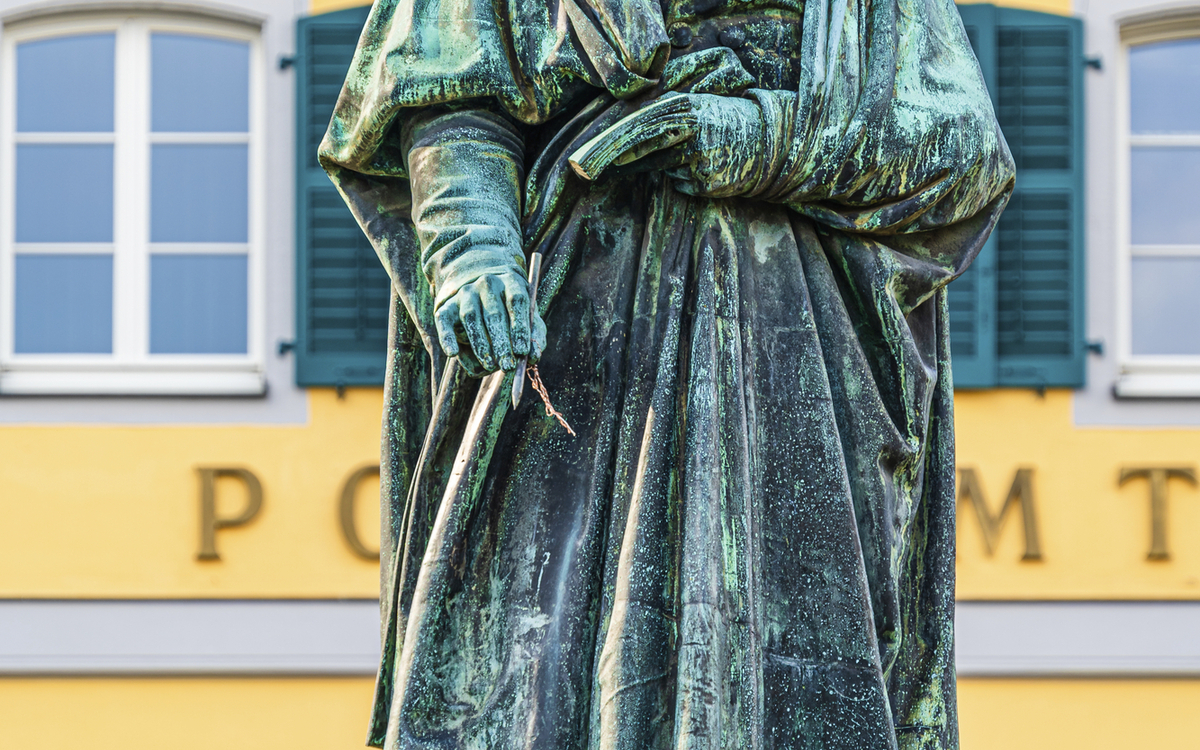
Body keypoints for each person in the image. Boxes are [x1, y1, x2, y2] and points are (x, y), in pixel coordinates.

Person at [320, 0, 1014, 745]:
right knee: (532, 665)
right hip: (574, 328)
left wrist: (758, 139)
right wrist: (473, 244)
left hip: (795, 348)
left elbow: (963, 150)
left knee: (795, 674)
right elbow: (449, 81)